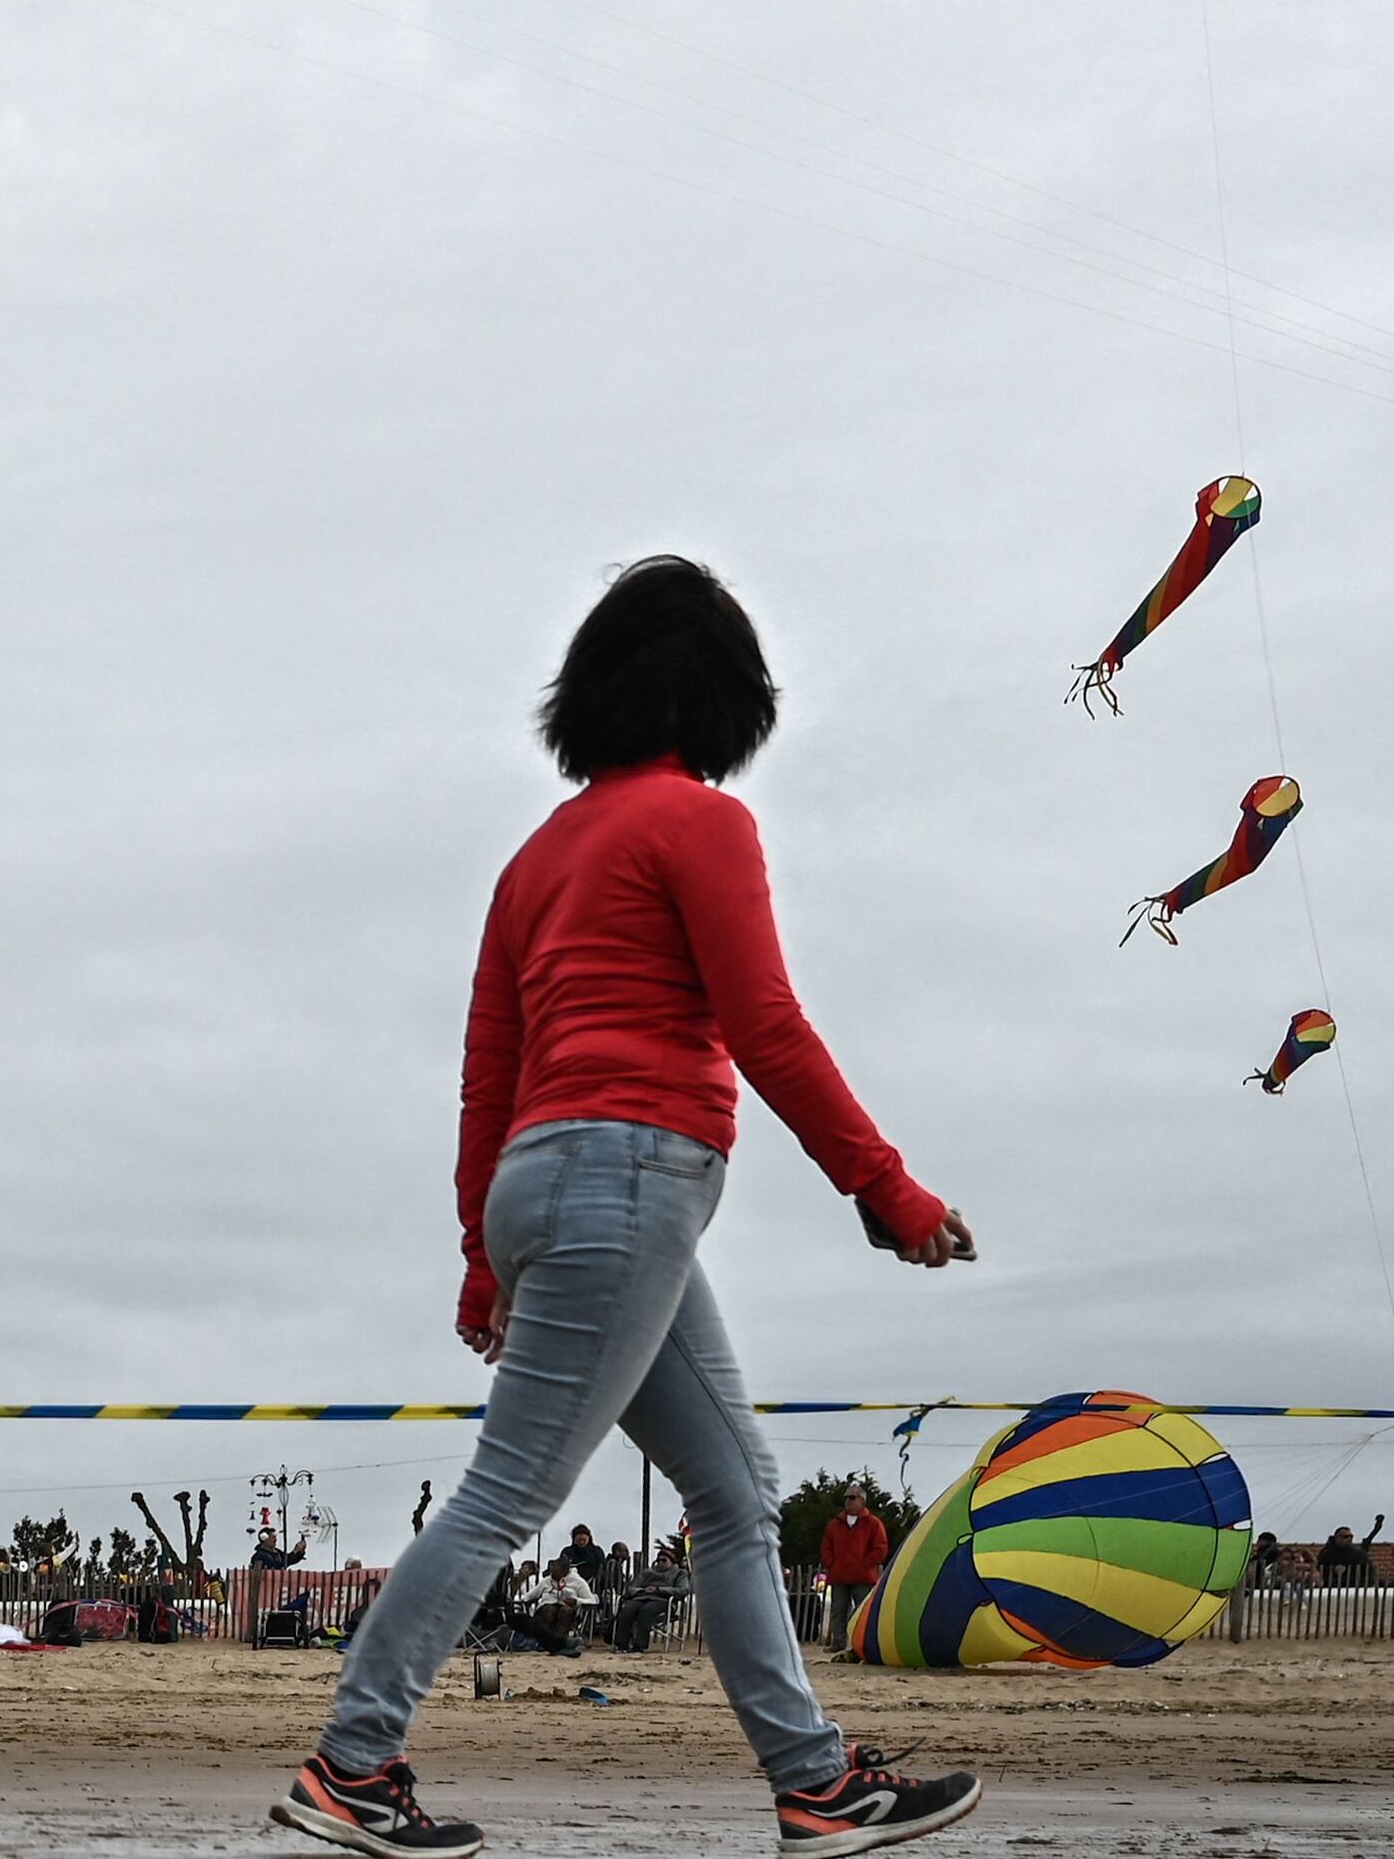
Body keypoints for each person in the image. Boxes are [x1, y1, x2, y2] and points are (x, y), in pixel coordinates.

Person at [275, 558, 983, 1858]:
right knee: (506, 1493)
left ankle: (814, 1779)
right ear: (723, 693)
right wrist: (887, 1190)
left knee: (736, 1488)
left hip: (546, 1182)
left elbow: (489, 1072)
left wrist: (484, 1257)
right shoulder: (699, 823)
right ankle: (353, 1762)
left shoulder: (534, 860)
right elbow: (764, 1021)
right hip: (631, 1175)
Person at [818, 1490, 892, 1653]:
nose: (848, 1501)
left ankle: (861, 1645)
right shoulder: (834, 1525)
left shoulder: (873, 1523)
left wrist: (866, 1564)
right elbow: (826, 1547)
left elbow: (880, 1547)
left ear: (862, 1501)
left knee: (863, 1612)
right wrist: (831, 1563)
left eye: (852, 1498)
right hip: (839, 1576)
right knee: (839, 1611)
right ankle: (839, 1642)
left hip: (863, 1577)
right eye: (846, 1498)